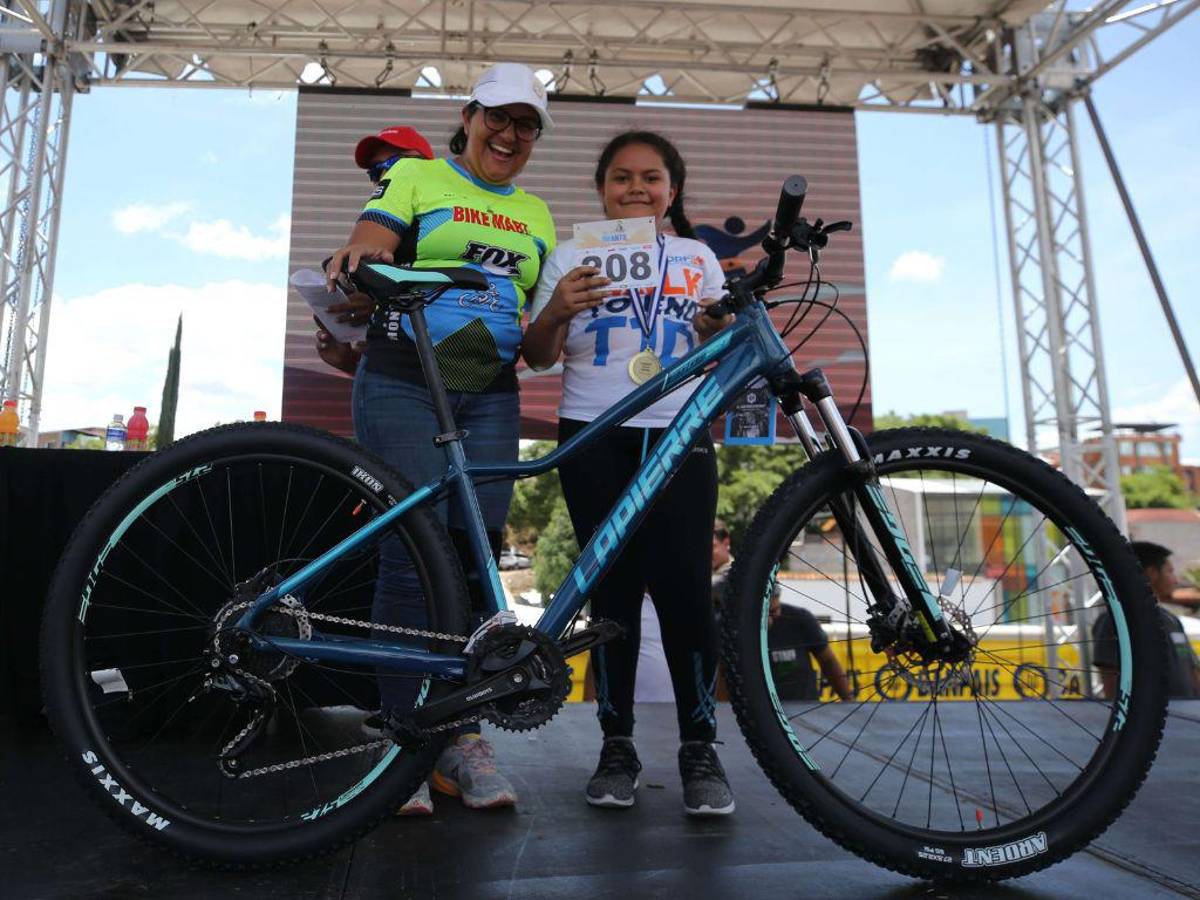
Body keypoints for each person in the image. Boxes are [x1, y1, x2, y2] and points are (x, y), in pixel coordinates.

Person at [326, 63, 557, 814]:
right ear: (469, 115)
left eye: (527, 124)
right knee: (410, 557)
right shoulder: (421, 177)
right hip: (401, 379)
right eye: (498, 118)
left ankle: (457, 738)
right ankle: (404, 743)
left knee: (473, 564)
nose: (510, 134)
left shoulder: (540, 214)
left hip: (491, 393)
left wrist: (568, 308)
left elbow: (539, 340)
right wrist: (357, 258)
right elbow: (375, 233)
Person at [524, 130, 736, 816]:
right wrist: (557, 309)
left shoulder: (700, 258)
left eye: (650, 178)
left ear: (672, 191)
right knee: (610, 596)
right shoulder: (571, 253)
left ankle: (699, 749)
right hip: (593, 432)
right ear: (601, 189)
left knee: (684, 594)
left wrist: (713, 328)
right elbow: (538, 356)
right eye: (621, 178)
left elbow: (722, 350)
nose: (635, 189)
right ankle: (617, 745)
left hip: (678, 431)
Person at [314, 126, 435, 375]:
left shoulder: (448, 233)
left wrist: (384, 304)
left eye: (398, 164)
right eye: (376, 172)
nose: (387, 176)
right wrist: (350, 360)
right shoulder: (368, 250)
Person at [710, 521, 852, 702]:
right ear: (748, 608)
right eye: (765, 612)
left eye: (775, 610)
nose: (772, 617)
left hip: (805, 710)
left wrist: (849, 701)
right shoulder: (728, 628)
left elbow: (829, 661)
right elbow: (723, 677)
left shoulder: (800, 619)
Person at [1093, 540, 1200, 700]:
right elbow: (1111, 677)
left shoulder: (1171, 620)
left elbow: (1192, 671)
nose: (1176, 581)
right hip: (1150, 722)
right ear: (1152, 573)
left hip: (1186, 719)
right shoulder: (1115, 620)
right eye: (1170, 572)